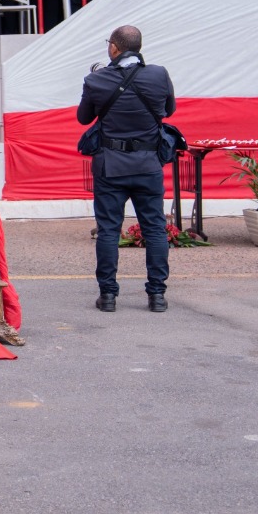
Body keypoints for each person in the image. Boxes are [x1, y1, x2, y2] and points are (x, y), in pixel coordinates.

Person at [77, 24, 174, 313]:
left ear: (115, 48)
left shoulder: (97, 79)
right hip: (148, 163)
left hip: (111, 165)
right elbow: (168, 110)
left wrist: (95, 84)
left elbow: (84, 118)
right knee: (155, 229)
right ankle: (156, 296)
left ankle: (108, 296)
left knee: (109, 230)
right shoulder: (159, 74)